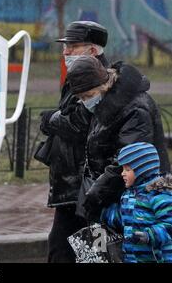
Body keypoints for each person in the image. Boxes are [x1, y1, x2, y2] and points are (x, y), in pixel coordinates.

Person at [65, 56, 170, 222]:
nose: (86, 101)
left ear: (104, 85)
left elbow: (128, 159)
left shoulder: (133, 109)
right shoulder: (106, 103)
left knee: (131, 243)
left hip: (135, 195)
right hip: (116, 192)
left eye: (88, 95)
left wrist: (97, 193)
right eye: (81, 97)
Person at [39, 21, 111, 263]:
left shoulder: (97, 77)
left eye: (73, 46)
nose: (66, 51)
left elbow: (81, 123)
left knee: (76, 251)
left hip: (84, 185)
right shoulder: (76, 76)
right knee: (67, 250)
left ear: (93, 51)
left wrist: (50, 120)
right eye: (65, 46)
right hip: (73, 184)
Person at [101, 142, 172, 263]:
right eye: (123, 168)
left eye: (128, 169)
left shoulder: (159, 195)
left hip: (156, 258)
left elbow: (169, 225)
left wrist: (150, 235)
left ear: (142, 171)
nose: (123, 173)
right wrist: (105, 214)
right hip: (131, 257)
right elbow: (121, 217)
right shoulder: (127, 195)